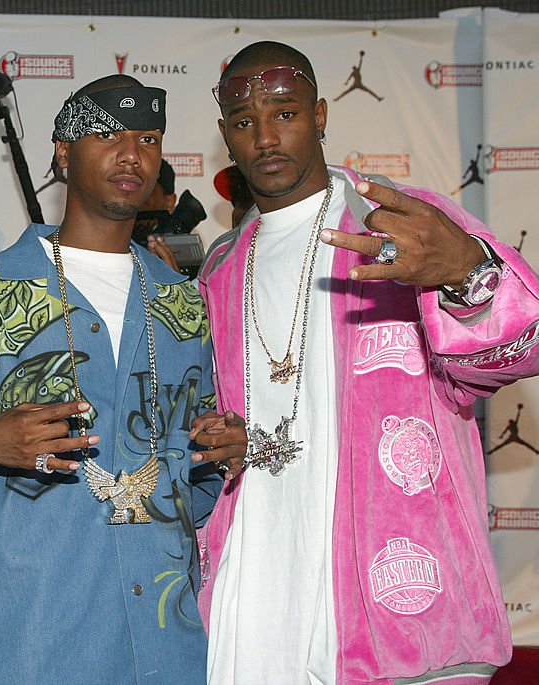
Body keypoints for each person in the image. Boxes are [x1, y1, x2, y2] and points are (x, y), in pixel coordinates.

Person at [199, 40, 537, 684]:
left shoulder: (403, 224)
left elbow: (520, 347)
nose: (266, 137)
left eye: (285, 113)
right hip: (259, 587)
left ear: (321, 114)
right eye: (244, 123)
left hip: (396, 589)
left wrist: (467, 272)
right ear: (225, 137)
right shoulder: (218, 269)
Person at [0, 74, 245, 684]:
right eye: (106, 134)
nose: (131, 153)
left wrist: (218, 448)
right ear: (62, 152)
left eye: (147, 137)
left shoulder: (183, 303)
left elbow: (190, 488)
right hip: (28, 638)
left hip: (161, 645)